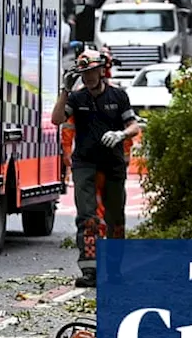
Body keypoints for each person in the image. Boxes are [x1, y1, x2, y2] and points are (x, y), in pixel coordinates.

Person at [50, 48, 140, 288]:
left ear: (101, 70)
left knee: (115, 219)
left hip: (113, 165)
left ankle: (114, 271)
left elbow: (134, 126)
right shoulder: (77, 99)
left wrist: (120, 134)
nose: (88, 77)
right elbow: (57, 119)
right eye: (84, 73)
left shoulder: (118, 96)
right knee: (87, 217)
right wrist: (65, 90)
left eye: (92, 72)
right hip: (85, 163)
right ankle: (90, 271)